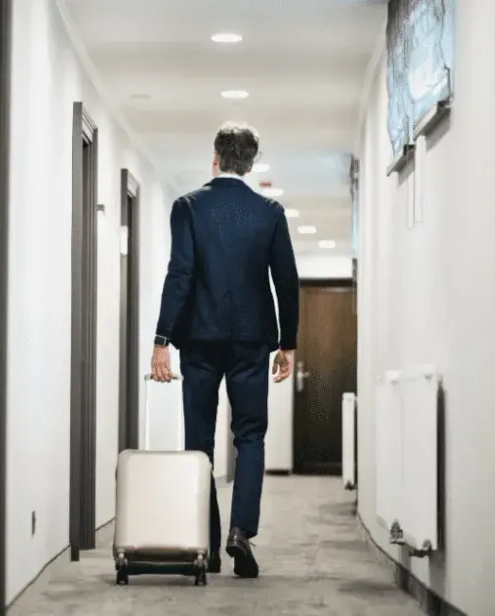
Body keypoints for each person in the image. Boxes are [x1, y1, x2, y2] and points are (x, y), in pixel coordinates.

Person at [150, 122, 299, 579]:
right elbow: (286, 281)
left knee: (199, 443)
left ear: (214, 157)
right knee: (250, 437)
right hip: (252, 340)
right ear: (251, 164)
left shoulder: (189, 207)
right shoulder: (269, 212)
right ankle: (241, 532)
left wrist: (161, 339)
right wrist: (287, 343)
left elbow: (181, 274)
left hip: (199, 340)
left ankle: (207, 545)